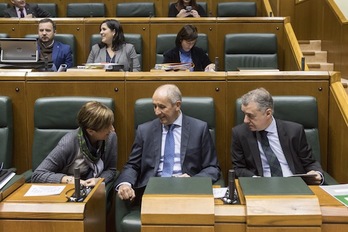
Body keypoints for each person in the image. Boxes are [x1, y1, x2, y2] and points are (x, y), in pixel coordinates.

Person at [116, 84, 221, 203]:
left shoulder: (199, 129)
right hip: (152, 191)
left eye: (161, 107)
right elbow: (132, 165)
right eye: (154, 106)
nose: (156, 112)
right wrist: (125, 184)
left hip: (187, 191)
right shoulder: (144, 131)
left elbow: (212, 168)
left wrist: (193, 180)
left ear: (177, 105)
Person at [231, 87, 324, 185]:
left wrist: (317, 173)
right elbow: (239, 168)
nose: (245, 120)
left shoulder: (294, 131)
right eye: (244, 114)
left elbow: (309, 162)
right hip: (261, 186)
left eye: (250, 116)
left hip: (294, 185)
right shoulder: (240, 134)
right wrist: (255, 179)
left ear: (268, 113)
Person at [32, 101, 117, 187]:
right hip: (69, 189)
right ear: (90, 131)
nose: (112, 129)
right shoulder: (68, 143)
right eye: (107, 127)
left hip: (93, 190)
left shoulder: (110, 137)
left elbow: (111, 170)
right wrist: (70, 180)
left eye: (111, 124)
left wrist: (99, 180)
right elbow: (38, 175)